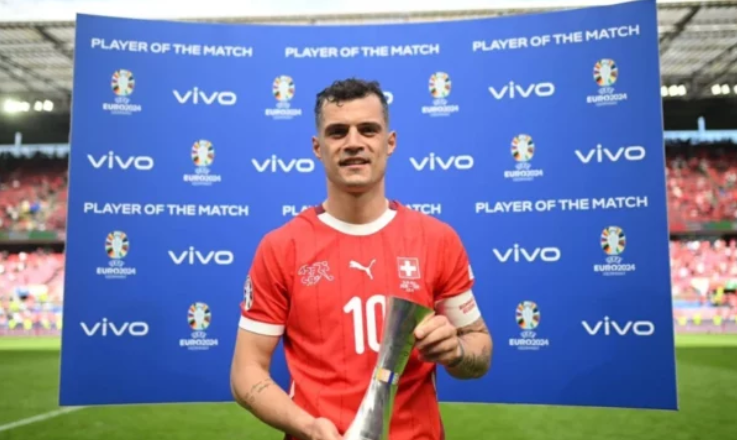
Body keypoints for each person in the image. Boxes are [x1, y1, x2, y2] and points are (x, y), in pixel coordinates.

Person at [230, 78, 492, 440]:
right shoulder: (282, 247)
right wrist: (308, 427)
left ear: (390, 142)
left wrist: (457, 351)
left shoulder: (437, 240)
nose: (353, 142)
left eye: (368, 130)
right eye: (338, 132)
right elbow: (246, 371)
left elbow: (479, 346)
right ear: (317, 147)